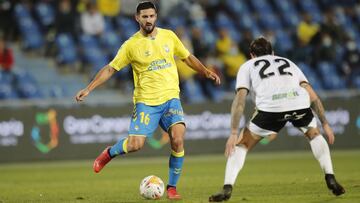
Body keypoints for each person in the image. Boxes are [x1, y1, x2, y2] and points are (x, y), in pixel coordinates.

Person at [75, 1, 220, 200]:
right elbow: (110, 69)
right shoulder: (131, 45)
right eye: (144, 16)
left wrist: (205, 71)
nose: (148, 20)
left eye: (151, 16)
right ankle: (108, 153)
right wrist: (88, 88)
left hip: (171, 98)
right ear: (137, 18)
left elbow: (187, 57)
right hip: (146, 102)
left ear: (156, 16)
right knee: (135, 145)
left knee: (178, 140)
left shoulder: (169, 36)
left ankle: (171, 188)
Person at [208, 37, 345, 202]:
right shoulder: (288, 62)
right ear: (273, 53)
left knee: (242, 144)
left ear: (252, 55)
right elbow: (312, 95)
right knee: (314, 134)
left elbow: (240, 101)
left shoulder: (247, 66)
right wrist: (325, 124)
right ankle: (329, 175)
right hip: (299, 103)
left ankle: (227, 188)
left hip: (270, 109)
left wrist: (233, 132)